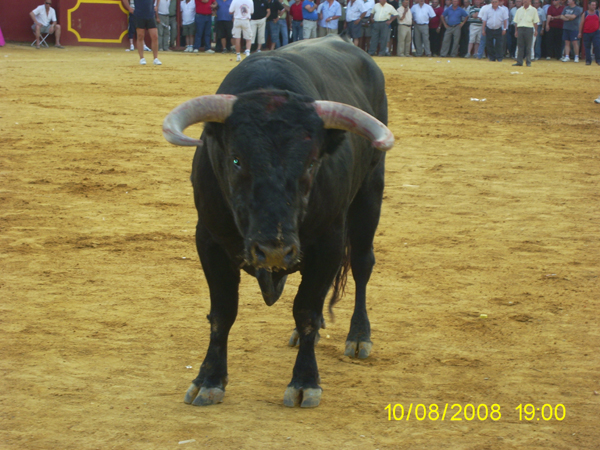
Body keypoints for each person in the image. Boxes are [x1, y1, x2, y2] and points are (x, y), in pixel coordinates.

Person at [121, 0, 162, 65]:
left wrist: (156, 6)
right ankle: (142, 58)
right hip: (139, 15)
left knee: (155, 36)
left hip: (150, 14)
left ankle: (155, 58)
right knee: (140, 36)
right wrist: (129, 8)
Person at [512, 0, 539, 66]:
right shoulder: (519, 10)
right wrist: (516, 31)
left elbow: (535, 22)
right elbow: (516, 22)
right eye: (524, 1)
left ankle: (528, 62)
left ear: (530, 1)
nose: (525, 2)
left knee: (528, 46)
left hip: (529, 28)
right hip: (520, 28)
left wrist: (535, 30)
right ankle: (519, 62)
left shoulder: (533, 10)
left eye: (526, 1)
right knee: (520, 46)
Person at [579, 0, 600, 65]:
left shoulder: (597, 13)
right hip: (587, 32)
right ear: (589, 5)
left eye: (595, 5)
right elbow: (581, 24)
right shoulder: (585, 14)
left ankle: (598, 60)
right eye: (592, 5)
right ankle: (588, 61)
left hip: (596, 32)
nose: (594, 6)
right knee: (587, 47)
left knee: (597, 46)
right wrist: (580, 32)